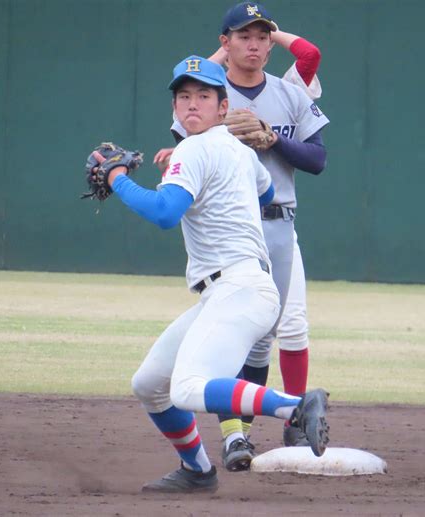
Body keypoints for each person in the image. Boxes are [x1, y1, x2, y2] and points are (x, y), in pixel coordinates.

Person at [92, 55, 330, 493]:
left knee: (186, 389)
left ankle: (295, 406)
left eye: (204, 95)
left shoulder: (194, 148)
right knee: (150, 384)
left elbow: (165, 214)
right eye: (184, 96)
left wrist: (120, 178)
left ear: (223, 107)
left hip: (238, 288)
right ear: (174, 108)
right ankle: (198, 471)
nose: (192, 104)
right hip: (229, 291)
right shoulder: (237, 149)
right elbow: (265, 191)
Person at [154, 2, 330, 471]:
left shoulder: (289, 92)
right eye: (242, 35)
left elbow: (317, 160)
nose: (254, 44)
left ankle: (286, 415)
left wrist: (273, 140)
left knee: (272, 333)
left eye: (261, 36)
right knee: (236, 333)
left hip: (279, 219)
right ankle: (238, 435)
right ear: (225, 42)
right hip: (229, 229)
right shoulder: (207, 92)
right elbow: (189, 145)